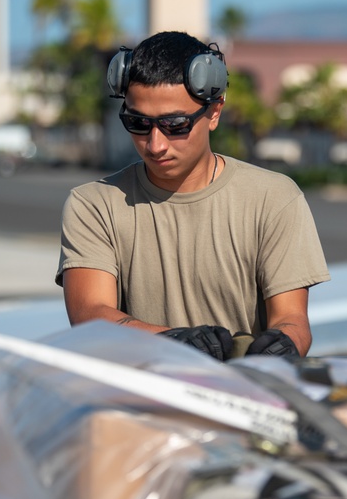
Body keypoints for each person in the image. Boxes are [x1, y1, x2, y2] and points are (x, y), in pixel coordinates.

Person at [57, 31, 330, 360]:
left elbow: (292, 320)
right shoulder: (94, 205)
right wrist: (175, 342)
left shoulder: (274, 199)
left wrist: (285, 344)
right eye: (138, 123)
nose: (155, 144)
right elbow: (90, 315)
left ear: (214, 112)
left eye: (175, 124)